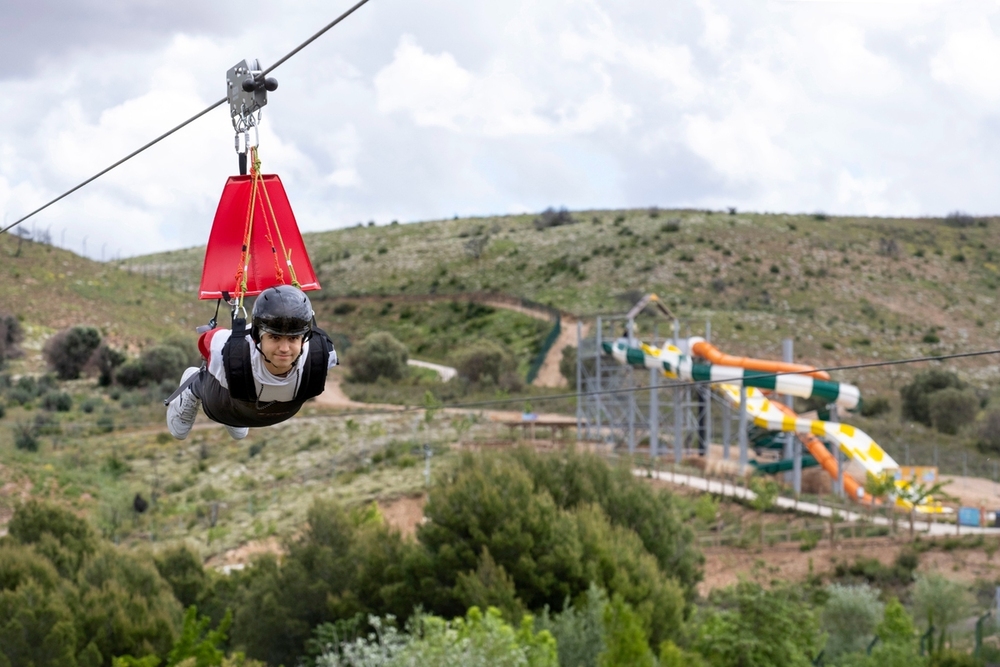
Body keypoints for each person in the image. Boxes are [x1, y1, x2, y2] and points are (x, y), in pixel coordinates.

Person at [166, 285, 338, 440]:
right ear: (256, 337)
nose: (284, 348)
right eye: (275, 337)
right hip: (223, 408)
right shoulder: (227, 349)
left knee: (235, 373)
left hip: (269, 411)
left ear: (305, 338)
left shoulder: (321, 355)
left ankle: (238, 394)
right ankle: (192, 387)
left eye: (293, 338)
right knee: (229, 367)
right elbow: (205, 341)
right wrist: (229, 361)